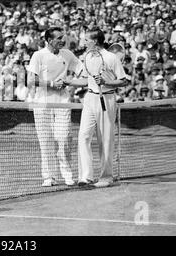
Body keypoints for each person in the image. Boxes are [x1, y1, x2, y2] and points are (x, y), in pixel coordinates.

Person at [73, 27, 128, 188]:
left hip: (107, 99)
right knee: (83, 136)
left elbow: (123, 81)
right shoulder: (87, 57)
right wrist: (67, 82)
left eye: (86, 40)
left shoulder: (111, 58)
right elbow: (86, 79)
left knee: (105, 140)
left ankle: (106, 177)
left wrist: (106, 82)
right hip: (90, 99)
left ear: (95, 41)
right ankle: (86, 177)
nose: (84, 43)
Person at [27, 27, 82, 187]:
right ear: (49, 40)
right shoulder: (38, 55)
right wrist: (51, 83)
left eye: (62, 37)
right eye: (58, 38)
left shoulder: (68, 54)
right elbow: (32, 80)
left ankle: (67, 175)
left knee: (63, 138)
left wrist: (69, 82)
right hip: (42, 102)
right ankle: (49, 177)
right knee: (45, 141)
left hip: (62, 101)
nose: (62, 41)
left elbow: (81, 71)